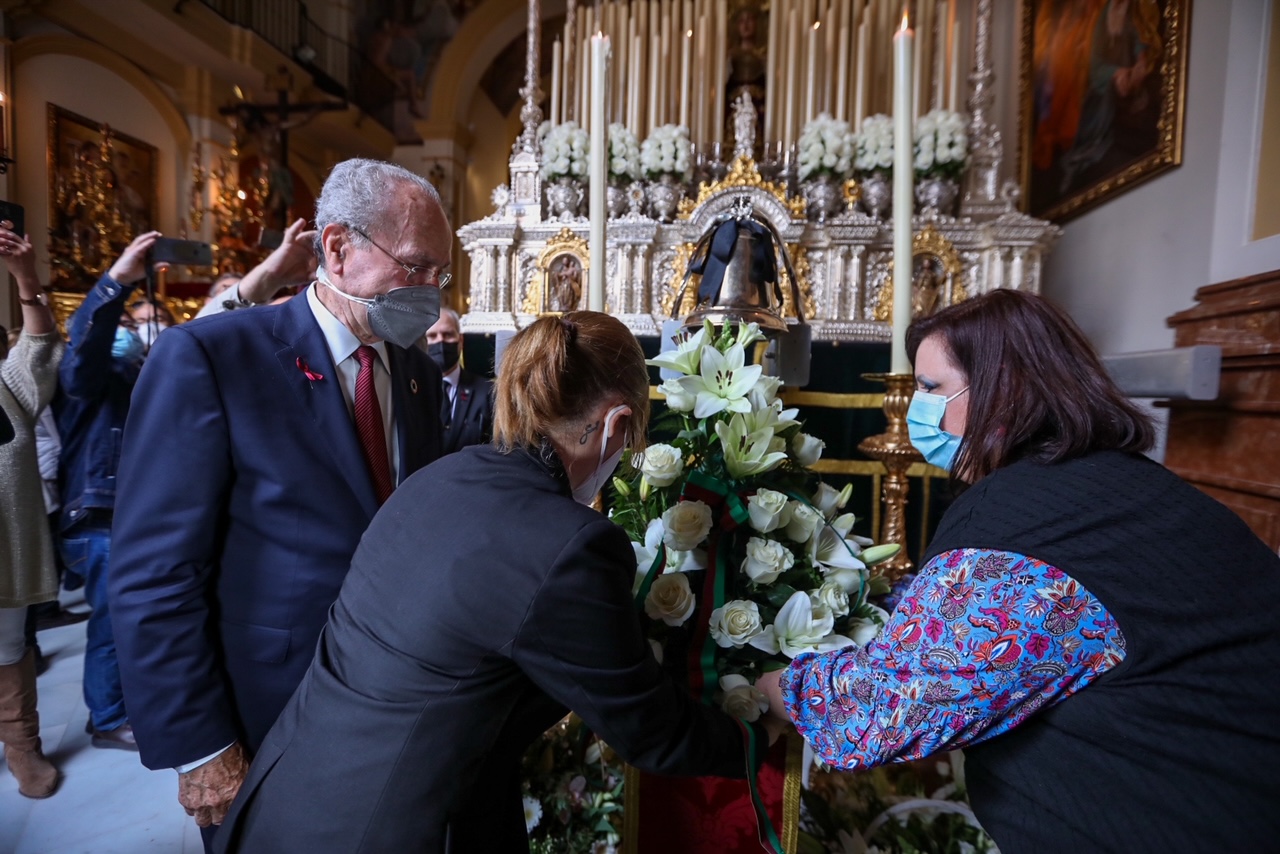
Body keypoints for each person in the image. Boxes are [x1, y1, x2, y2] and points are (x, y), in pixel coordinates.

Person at [214, 312, 781, 853]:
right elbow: (651, 731)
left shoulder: (434, 478)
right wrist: (760, 725)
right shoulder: (571, 544)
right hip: (393, 829)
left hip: (288, 799)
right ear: (617, 423)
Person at [759, 289, 1280, 851]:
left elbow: (884, 710)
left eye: (932, 389)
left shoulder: (1018, 519)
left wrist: (777, 688)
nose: (918, 410)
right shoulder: (1121, 486)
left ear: (1003, 394)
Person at [108, 158, 449, 846]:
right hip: (267, 712)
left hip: (392, 707)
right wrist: (201, 745)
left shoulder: (413, 369)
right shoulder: (212, 357)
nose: (429, 292)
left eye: (440, 273)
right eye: (414, 266)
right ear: (337, 249)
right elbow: (155, 572)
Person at [54, 230, 162, 753]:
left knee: (135, 618)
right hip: (99, 513)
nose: (129, 331)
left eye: (136, 326)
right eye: (124, 323)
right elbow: (87, 348)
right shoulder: (88, 377)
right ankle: (108, 717)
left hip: (135, 513)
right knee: (113, 621)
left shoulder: (144, 372)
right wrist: (117, 282)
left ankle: (130, 705)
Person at [0, 226, 64, 798]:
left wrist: (25, 280)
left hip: (3, 552)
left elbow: (39, 351)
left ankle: (22, 748)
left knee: (5, 650)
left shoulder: (7, 385)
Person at [197, 218, 316, 318]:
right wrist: (270, 275)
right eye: (227, 290)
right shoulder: (189, 337)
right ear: (208, 301)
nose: (245, 300)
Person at [426, 307, 492, 453]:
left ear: (460, 340)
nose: (441, 341)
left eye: (448, 334)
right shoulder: (410, 391)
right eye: (432, 336)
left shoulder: (488, 392)